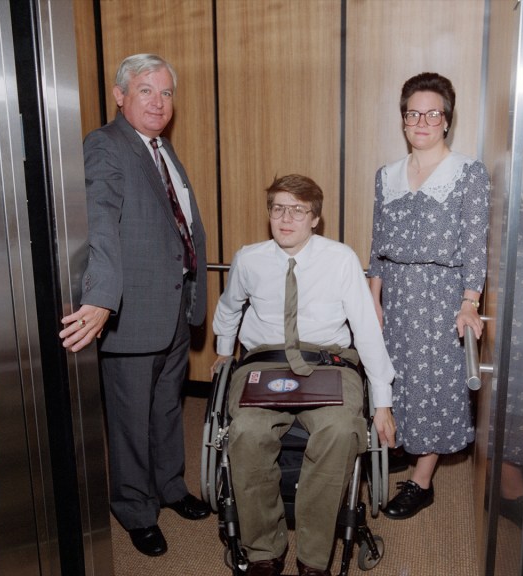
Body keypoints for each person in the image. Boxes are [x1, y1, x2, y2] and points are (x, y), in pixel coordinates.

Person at [58, 53, 211, 557]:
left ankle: (169, 486)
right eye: (146, 90)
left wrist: (194, 295)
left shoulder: (160, 147)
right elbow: (100, 222)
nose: (159, 102)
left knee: (167, 407)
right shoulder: (106, 145)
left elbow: (178, 224)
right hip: (130, 310)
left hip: (170, 306)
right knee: (128, 418)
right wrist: (101, 296)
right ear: (121, 95)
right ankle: (133, 507)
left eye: (166, 92)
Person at [211, 174, 397, 576]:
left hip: (327, 361)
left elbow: (366, 326)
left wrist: (382, 402)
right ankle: (263, 551)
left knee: (341, 429)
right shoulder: (249, 258)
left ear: (315, 218)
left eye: (298, 210)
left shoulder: (340, 258)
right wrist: (225, 352)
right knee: (246, 431)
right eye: (278, 208)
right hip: (264, 360)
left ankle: (314, 559)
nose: (286, 218)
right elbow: (229, 308)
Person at [366, 72, 490, 520]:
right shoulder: (386, 176)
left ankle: (422, 481)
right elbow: (378, 244)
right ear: (403, 121)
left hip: (441, 297)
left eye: (431, 113)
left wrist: (469, 302)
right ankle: (404, 444)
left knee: (436, 387)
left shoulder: (467, 173)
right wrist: (373, 301)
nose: (421, 121)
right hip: (396, 295)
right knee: (397, 378)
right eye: (412, 113)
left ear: (446, 120)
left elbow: (476, 244)